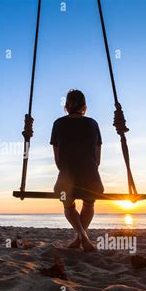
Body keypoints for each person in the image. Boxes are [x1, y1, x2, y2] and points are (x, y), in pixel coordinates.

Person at [50, 89, 104, 251]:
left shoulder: (58, 124)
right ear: (85, 107)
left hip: (65, 183)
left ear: (66, 106)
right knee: (89, 203)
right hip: (93, 183)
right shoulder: (92, 124)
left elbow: (58, 160)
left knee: (68, 205)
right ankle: (82, 236)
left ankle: (81, 236)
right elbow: (98, 160)